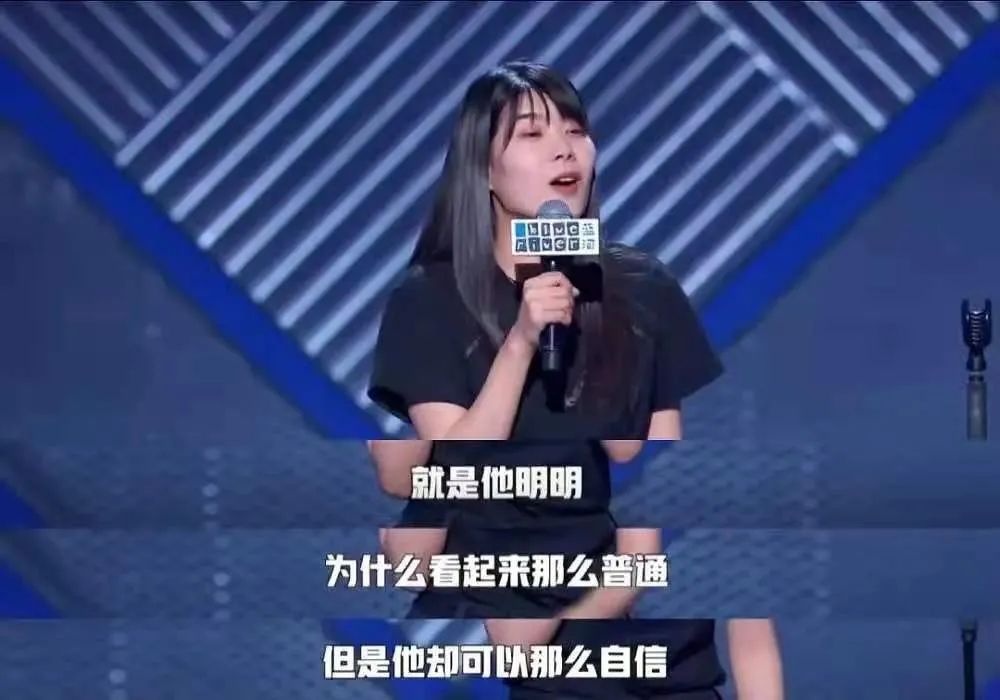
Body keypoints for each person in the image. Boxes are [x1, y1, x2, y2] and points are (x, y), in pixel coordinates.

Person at [366, 60, 783, 698]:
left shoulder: (640, 287)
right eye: (533, 134)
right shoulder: (430, 303)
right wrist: (521, 343)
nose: (564, 148)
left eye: (576, 129)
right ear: (483, 170)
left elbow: (657, 471)